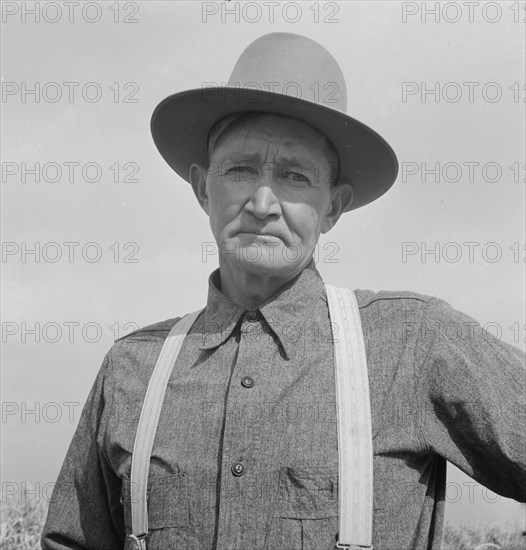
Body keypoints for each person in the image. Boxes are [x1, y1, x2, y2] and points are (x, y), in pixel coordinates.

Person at [42, 32, 525, 550]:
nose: (263, 202)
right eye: (241, 169)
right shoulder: (130, 368)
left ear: (333, 207)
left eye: (295, 176)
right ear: (204, 188)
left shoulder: (415, 342)